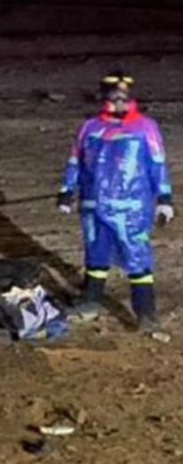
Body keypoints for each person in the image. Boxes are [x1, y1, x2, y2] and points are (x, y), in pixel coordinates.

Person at [59, 70, 174, 332]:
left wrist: (164, 197)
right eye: (114, 95)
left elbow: (157, 164)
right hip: (94, 204)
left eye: (124, 95)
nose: (120, 101)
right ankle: (90, 302)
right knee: (96, 254)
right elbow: (76, 160)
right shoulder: (90, 127)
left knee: (137, 256)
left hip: (132, 207)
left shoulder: (145, 127)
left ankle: (146, 314)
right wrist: (67, 190)